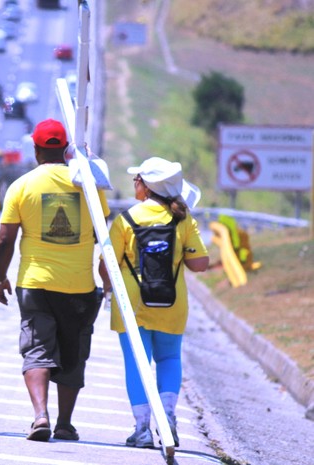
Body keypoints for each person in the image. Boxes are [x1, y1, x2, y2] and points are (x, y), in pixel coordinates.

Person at [0, 119, 110, 442]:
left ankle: (40, 415)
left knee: (36, 350)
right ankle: (64, 423)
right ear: (65, 149)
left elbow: (4, 239)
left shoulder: (22, 186)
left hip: (35, 285)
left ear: (36, 150)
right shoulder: (88, 185)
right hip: (79, 287)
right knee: (73, 353)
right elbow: (104, 230)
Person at [106, 156, 209, 449]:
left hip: (132, 304)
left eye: (137, 179)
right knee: (169, 359)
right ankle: (168, 419)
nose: (134, 184)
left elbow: (108, 265)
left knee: (137, 364)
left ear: (147, 187)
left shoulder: (126, 219)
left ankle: (142, 429)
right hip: (171, 302)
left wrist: (103, 289)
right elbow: (200, 263)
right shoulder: (184, 218)